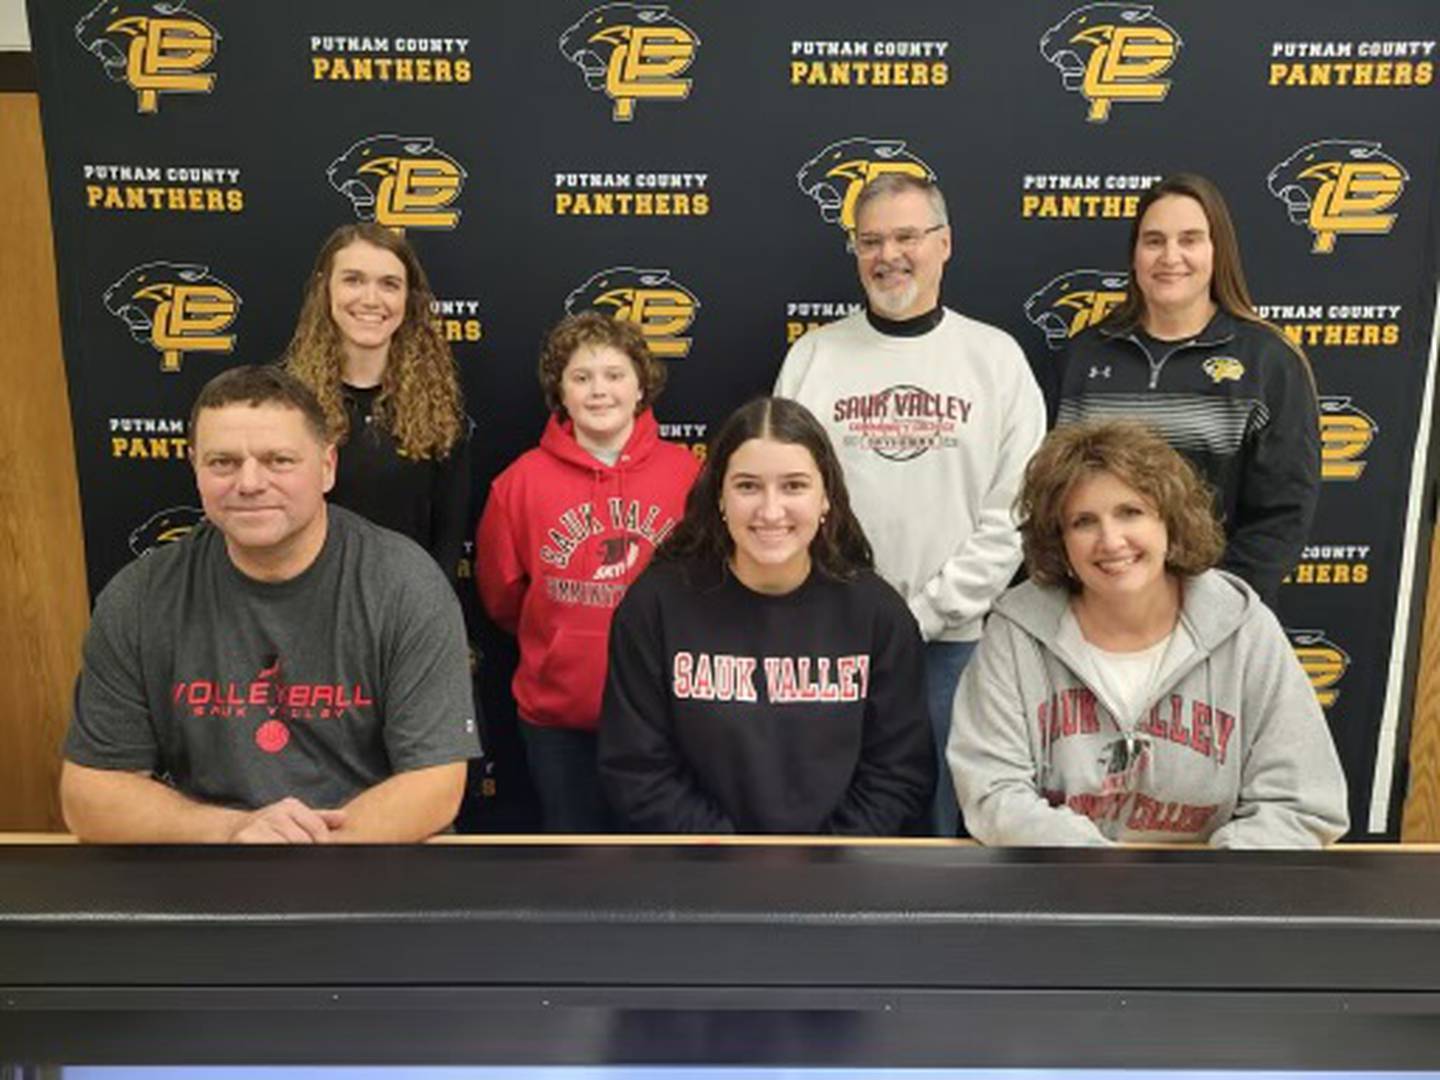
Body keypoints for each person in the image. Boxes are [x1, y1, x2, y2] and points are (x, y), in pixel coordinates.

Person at [60, 366, 480, 843]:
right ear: (194, 464)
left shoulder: (405, 584)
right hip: (212, 870)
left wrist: (303, 860)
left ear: (327, 467)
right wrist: (235, 831)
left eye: (279, 460)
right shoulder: (139, 597)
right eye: (223, 462)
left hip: (370, 863)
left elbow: (435, 785)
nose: (250, 482)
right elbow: (89, 795)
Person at [775, 173, 1046, 836]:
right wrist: (847, 607)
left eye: (905, 236)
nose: (887, 254)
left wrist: (922, 614)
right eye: (870, 240)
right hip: (831, 638)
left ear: (944, 243)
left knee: (940, 830)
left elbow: (1014, 514)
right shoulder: (814, 357)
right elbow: (784, 498)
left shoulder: (996, 359)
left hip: (953, 648)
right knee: (832, 821)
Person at [948, 419, 1347, 847]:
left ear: (1170, 521)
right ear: (1059, 541)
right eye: (1083, 521)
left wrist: (1202, 886)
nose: (1111, 540)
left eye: (1130, 512)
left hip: (1211, 896)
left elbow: (1303, 803)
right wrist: (1102, 872)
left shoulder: (1245, 628)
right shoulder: (1015, 632)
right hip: (1061, 888)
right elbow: (993, 794)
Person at [599, 396, 936, 835]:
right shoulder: (654, 607)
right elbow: (637, 769)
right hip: (698, 874)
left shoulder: (879, 615)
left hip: (839, 880)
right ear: (719, 496)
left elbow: (899, 773)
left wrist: (821, 865)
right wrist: (731, 858)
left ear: (826, 498)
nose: (771, 510)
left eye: (794, 486)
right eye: (748, 486)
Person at [475, 312, 699, 832]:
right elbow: (502, 599)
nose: (599, 391)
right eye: (581, 377)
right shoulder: (518, 484)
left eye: (614, 375)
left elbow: (709, 588)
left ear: (641, 385)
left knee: (666, 872)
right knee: (575, 868)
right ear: (561, 390)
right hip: (559, 722)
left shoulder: (689, 475)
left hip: (667, 720)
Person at [1054, 173, 1320, 607]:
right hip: (1093, 613)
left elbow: (1282, 513)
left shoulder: (1269, 362)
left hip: (1211, 619)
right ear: (1135, 255)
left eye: (1190, 240)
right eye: (1154, 241)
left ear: (1218, 252)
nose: (1170, 257)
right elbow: (1046, 497)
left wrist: (1214, 606)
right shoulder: (1081, 357)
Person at [283, 222, 470, 584]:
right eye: (353, 280)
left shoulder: (439, 409)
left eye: (389, 284)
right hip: (308, 612)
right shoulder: (287, 402)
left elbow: (447, 545)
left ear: (408, 299)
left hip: (405, 614)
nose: (371, 299)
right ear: (326, 289)